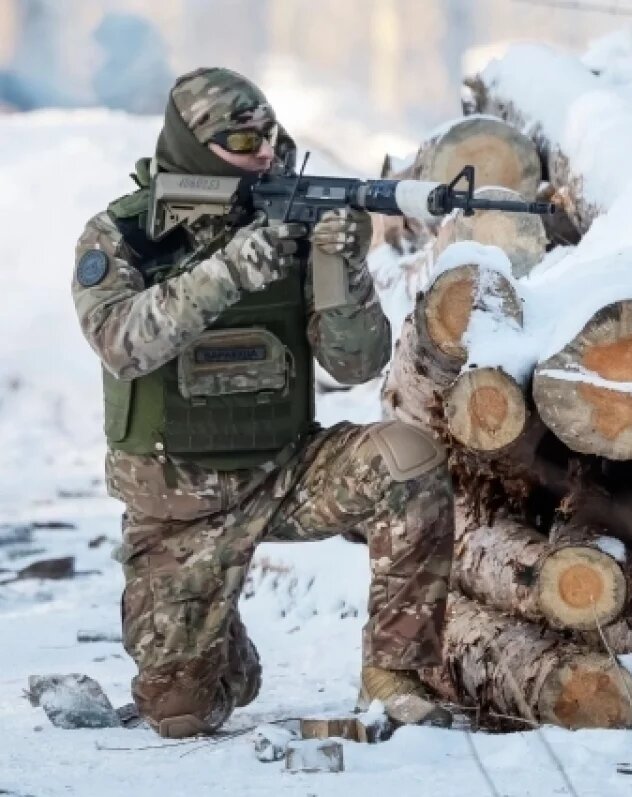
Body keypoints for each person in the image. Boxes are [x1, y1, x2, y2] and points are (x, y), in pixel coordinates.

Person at [71, 66, 454, 738]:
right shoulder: (121, 235)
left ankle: (397, 677)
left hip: (284, 472)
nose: (266, 156)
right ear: (193, 148)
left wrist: (342, 270)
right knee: (185, 709)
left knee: (408, 460)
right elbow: (123, 342)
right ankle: (219, 640)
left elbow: (356, 363)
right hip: (178, 506)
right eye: (243, 143)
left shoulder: (289, 225)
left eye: (271, 139)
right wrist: (233, 268)